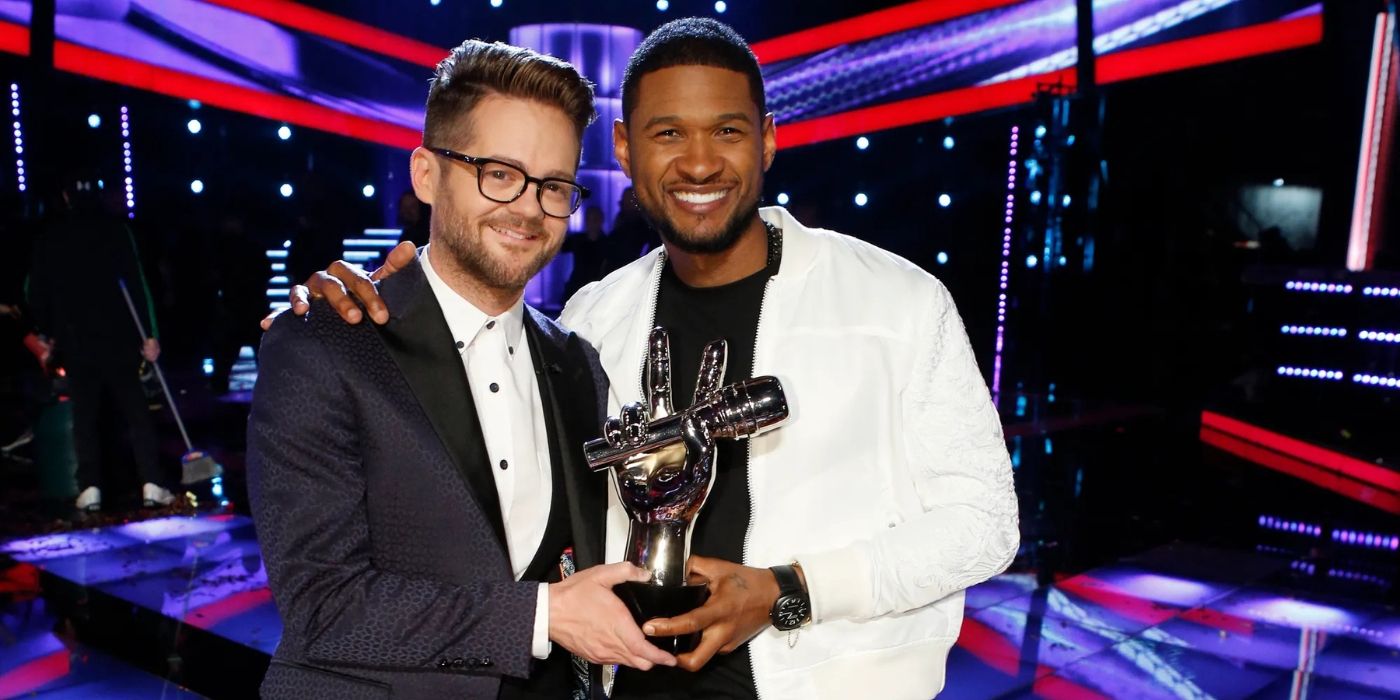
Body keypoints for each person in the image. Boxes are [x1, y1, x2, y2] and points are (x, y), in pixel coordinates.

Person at [293, 19, 1019, 700]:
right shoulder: (590, 320)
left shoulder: (897, 302)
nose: (700, 161)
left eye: (728, 131)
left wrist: (789, 588)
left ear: (766, 140)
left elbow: (984, 525)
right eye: (668, 133)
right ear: (623, 148)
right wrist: (375, 301)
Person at [248, 39, 674, 700]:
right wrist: (545, 615)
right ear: (425, 175)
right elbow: (322, 606)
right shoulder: (324, 345)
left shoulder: (574, 363)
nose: (530, 208)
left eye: (554, 185)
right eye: (499, 173)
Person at [27, 168, 174, 513]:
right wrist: (148, 334)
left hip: (75, 339)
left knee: (85, 413)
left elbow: (36, 291)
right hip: (118, 338)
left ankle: (90, 486)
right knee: (134, 410)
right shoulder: (117, 231)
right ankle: (151, 482)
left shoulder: (51, 236)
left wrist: (43, 331)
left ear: (65, 197)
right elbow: (137, 284)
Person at [561, 206, 612, 300]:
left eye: (595, 219)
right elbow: (561, 247)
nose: (592, 223)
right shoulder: (577, 240)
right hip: (576, 287)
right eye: (589, 219)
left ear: (601, 220)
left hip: (598, 289)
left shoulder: (609, 243)